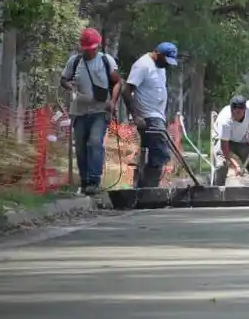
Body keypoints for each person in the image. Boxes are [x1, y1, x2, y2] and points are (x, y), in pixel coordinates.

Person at [60, 28, 121, 195]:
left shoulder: (106, 61)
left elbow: (117, 82)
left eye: (93, 48)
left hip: (100, 111)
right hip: (79, 111)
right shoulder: (75, 61)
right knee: (80, 146)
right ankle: (85, 180)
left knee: (94, 142)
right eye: (87, 48)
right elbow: (64, 79)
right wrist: (69, 86)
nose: (90, 51)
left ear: (98, 46)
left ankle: (95, 180)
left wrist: (113, 102)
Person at [121, 42, 178, 188]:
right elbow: (127, 91)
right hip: (147, 115)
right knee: (160, 153)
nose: (167, 65)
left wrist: (165, 115)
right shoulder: (143, 65)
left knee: (153, 153)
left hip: (157, 115)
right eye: (166, 61)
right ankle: (149, 189)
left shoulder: (160, 67)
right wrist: (136, 116)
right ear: (158, 54)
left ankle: (142, 187)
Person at [212, 95, 249, 187]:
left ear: (245, 109)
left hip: (241, 139)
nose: (236, 116)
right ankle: (217, 192)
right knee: (222, 165)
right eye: (234, 112)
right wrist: (236, 165)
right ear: (231, 110)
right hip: (222, 139)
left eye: (239, 113)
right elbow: (224, 148)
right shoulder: (225, 121)